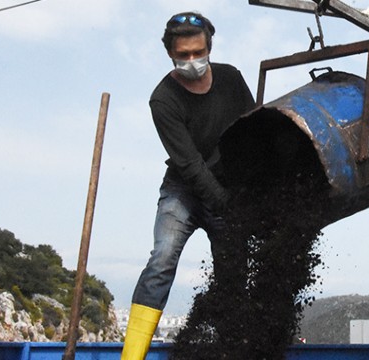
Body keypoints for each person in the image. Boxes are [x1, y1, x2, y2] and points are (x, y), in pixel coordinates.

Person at [121, 11, 255, 360]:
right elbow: (190, 164)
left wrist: (252, 191)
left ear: (209, 47)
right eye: (184, 55)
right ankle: (132, 355)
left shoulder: (230, 79)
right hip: (184, 189)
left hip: (228, 185)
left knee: (233, 272)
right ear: (171, 54)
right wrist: (224, 204)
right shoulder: (163, 99)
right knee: (162, 259)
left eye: (198, 53)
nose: (192, 61)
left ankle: (231, 351)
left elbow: (254, 129)